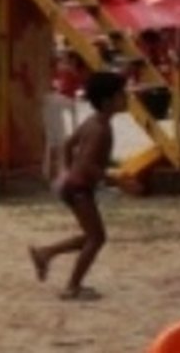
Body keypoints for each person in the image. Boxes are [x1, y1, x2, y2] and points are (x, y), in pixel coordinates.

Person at [29, 71, 127, 301]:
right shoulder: (101, 129)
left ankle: (45, 253)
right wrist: (117, 181)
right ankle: (72, 287)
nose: (126, 98)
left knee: (92, 235)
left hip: (75, 186)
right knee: (97, 238)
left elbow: (68, 145)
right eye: (121, 95)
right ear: (107, 101)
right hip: (79, 190)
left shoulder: (93, 122)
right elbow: (90, 165)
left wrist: (66, 170)